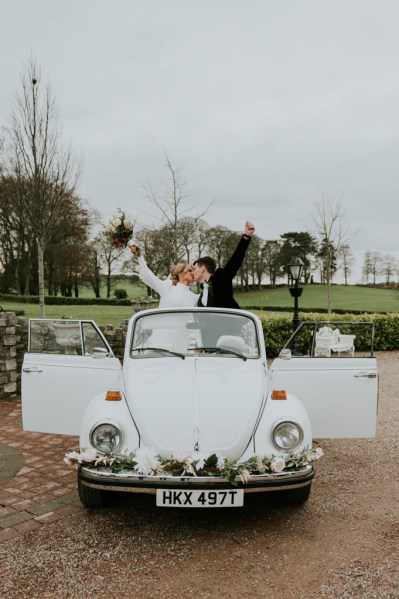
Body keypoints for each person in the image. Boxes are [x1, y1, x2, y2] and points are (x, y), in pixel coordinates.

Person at [192, 220, 255, 308]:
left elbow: (235, 261)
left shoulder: (220, 278)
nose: (192, 272)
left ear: (202, 268)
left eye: (194, 269)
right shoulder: (203, 291)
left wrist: (246, 236)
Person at [129, 244, 199, 308]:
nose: (192, 273)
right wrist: (140, 256)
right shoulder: (167, 288)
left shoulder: (195, 297)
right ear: (180, 273)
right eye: (189, 270)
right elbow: (148, 276)